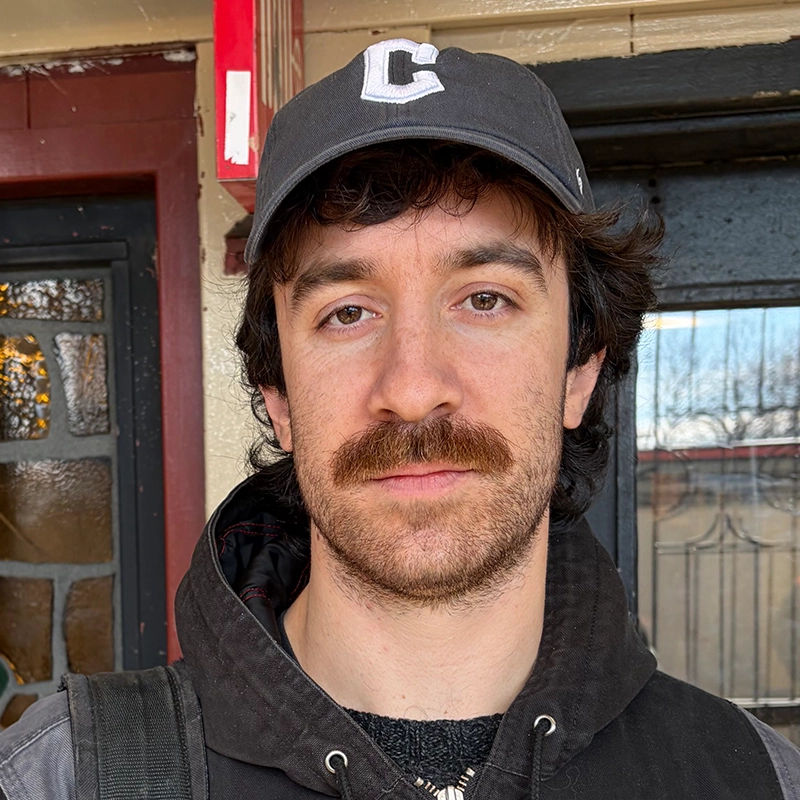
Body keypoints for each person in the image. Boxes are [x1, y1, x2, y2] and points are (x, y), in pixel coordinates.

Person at [1, 38, 798, 800]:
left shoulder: (756, 780)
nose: (413, 389)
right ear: (277, 394)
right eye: (347, 312)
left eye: (485, 299)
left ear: (578, 370)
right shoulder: (63, 777)